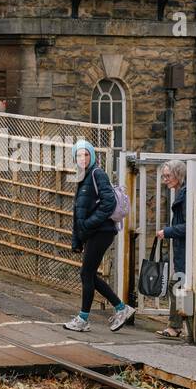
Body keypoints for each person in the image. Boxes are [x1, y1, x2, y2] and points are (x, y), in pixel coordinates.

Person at [63, 140, 135, 333]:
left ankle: (83, 318)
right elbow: (78, 213)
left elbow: (108, 203)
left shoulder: (97, 174)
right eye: (78, 155)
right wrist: (77, 239)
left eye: (86, 155)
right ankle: (121, 308)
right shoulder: (82, 177)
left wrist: (89, 224)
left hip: (102, 231)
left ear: (92, 156)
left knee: (86, 274)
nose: (82, 159)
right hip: (92, 233)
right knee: (90, 274)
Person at [156, 159, 189, 339]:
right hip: (185, 250)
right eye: (164, 176)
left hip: (189, 251)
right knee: (182, 286)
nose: (165, 180)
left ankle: (176, 327)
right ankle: (187, 327)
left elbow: (188, 225)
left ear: (178, 174)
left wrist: (167, 231)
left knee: (178, 286)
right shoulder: (183, 193)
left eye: (168, 176)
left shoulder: (185, 195)